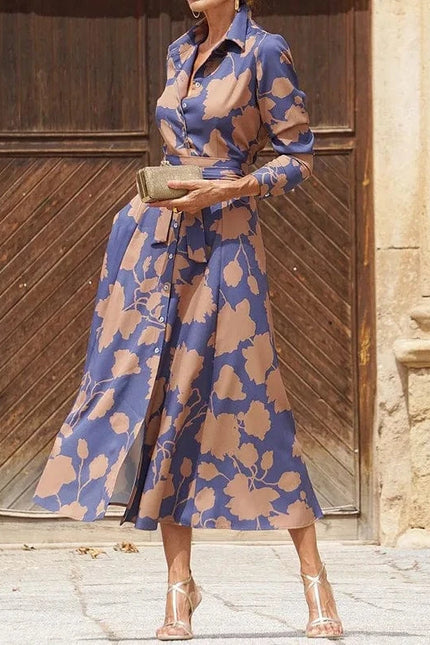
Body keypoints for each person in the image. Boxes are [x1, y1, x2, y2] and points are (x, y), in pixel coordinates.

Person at [32, 0, 344, 640]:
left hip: (227, 241)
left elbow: (299, 158)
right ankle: (179, 586)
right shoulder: (181, 51)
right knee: (165, 403)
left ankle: (314, 577)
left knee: (256, 398)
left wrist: (228, 188)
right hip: (156, 242)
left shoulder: (263, 51)